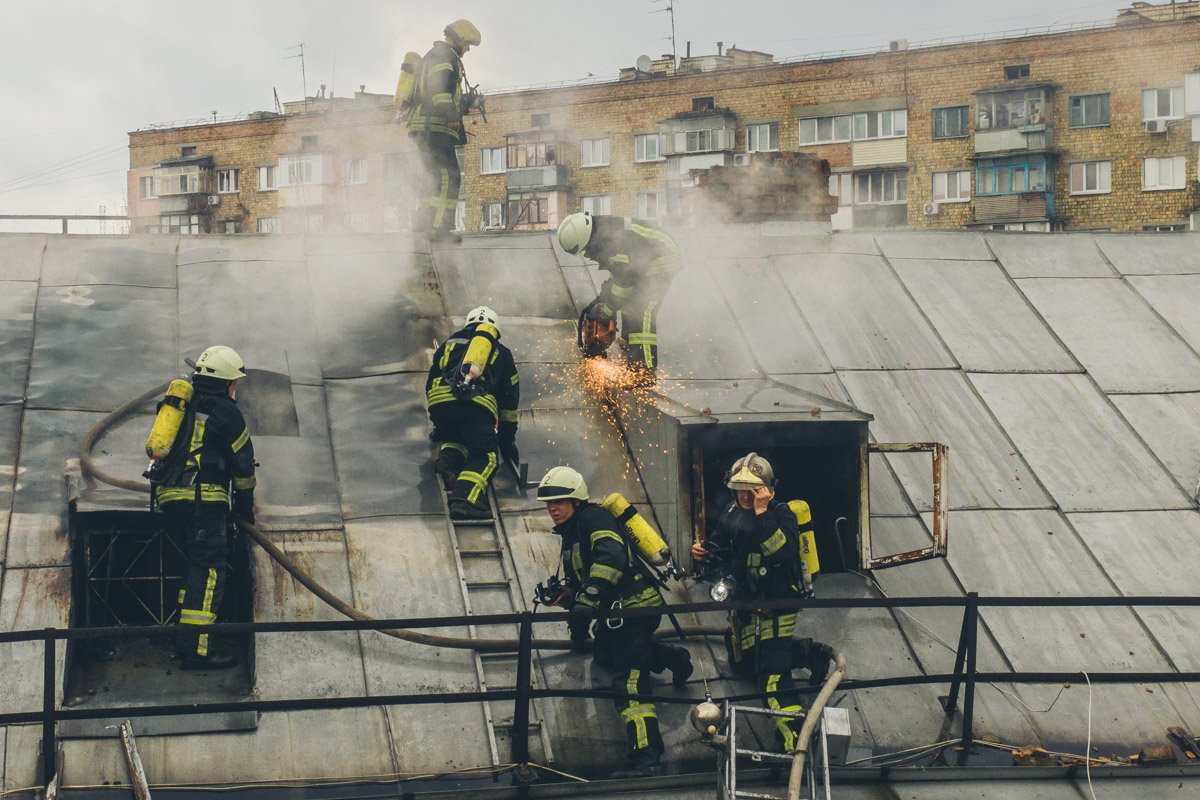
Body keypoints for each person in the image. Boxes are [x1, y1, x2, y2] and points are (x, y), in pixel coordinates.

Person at [536, 466, 693, 778]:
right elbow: (585, 582)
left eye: (559, 501)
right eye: (548, 503)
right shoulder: (571, 534)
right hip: (614, 615)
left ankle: (647, 758)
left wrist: (588, 599)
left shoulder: (594, 519)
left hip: (633, 609)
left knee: (629, 684)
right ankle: (673, 657)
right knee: (605, 656)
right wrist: (566, 598)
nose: (552, 508)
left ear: (576, 501)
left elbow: (612, 559)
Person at [690, 452, 816, 753]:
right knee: (744, 664)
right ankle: (802, 654)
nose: (744, 495)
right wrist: (701, 552)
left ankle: (793, 744)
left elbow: (781, 554)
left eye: (751, 489)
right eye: (739, 488)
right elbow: (720, 548)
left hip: (776, 608)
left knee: (772, 678)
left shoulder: (781, 513)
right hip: (745, 607)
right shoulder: (733, 512)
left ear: (766, 489)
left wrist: (762, 513)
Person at [153, 346, 256, 670]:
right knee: (210, 570)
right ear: (228, 383)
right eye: (235, 382)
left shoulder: (181, 403)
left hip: (170, 497)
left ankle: (187, 639)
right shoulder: (227, 413)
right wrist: (243, 510)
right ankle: (197, 650)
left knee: (196, 569)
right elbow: (243, 468)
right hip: (204, 500)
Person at [556, 212, 683, 378]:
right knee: (630, 308)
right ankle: (633, 364)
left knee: (643, 310)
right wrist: (602, 300)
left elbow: (626, 280)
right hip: (645, 265)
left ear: (585, 238)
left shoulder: (610, 241)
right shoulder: (603, 232)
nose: (586, 254)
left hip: (661, 260)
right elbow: (621, 274)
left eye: (585, 249)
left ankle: (644, 373)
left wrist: (607, 311)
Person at [427, 306, 519, 520]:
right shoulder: (502, 353)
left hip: (440, 403)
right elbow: (508, 403)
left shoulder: (448, 345)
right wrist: (507, 441)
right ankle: (465, 499)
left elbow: (431, 382)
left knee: (457, 437)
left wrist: (437, 423)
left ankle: (449, 458)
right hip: (473, 405)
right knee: (486, 457)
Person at [407, 19, 481, 243]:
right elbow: (437, 92)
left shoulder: (437, 56)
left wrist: (468, 101)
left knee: (433, 177)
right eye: (467, 44)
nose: (467, 49)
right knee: (449, 176)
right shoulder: (444, 56)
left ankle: (423, 225)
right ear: (457, 39)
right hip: (434, 128)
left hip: (426, 127)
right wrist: (452, 115)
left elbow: (444, 95)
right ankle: (439, 229)